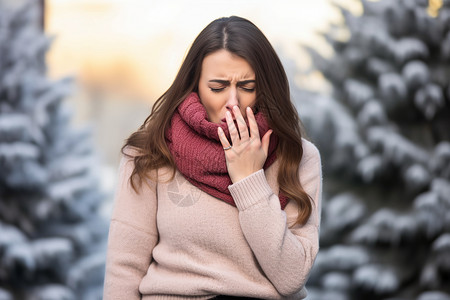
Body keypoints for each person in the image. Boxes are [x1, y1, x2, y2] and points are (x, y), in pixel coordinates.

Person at [103, 16, 322, 300]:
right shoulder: (151, 153)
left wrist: (249, 180)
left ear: (265, 87)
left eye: (247, 87)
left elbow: (291, 277)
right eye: (218, 87)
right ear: (194, 85)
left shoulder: (298, 157)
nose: (233, 101)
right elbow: (124, 271)